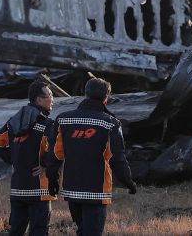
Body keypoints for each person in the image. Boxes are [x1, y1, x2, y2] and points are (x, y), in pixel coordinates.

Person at [45, 77, 137, 236]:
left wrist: (51, 179)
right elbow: (117, 158)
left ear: (85, 93)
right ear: (106, 97)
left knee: (82, 231)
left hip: (71, 189)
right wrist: (128, 182)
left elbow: (55, 154)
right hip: (97, 190)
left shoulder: (63, 119)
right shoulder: (110, 123)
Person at [0, 81, 57, 236]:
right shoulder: (48, 124)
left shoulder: (14, 122)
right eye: (50, 95)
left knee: (16, 232)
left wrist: (14, 159)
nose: (53, 99)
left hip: (18, 188)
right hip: (39, 190)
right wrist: (46, 165)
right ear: (39, 100)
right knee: (39, 231)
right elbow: (59, 150)